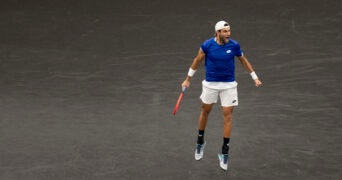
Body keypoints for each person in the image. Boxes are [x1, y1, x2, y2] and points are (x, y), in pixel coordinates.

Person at [181, 20, 262, 171]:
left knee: (228, 116)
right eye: (225, 32)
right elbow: (197, 61)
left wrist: (254, 77)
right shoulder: (207, 45)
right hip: (210, 84)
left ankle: (224, 151)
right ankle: (200, 142)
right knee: (205, 111)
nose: (228, 34)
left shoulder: (234, 45)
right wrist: (187, 79)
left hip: (229, 86)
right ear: (217, 32)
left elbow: (243, 60)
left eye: (229, 31)